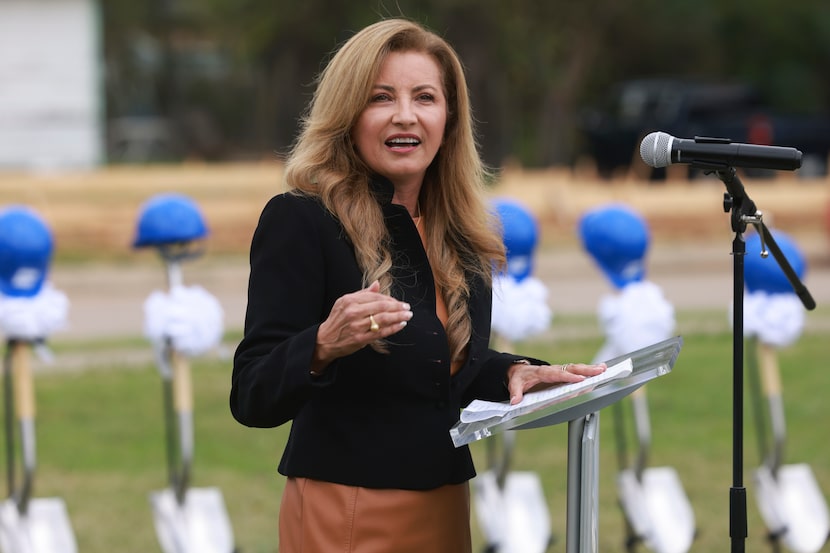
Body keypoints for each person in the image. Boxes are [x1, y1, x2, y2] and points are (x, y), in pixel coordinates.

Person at [230, 17, 606, 553]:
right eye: (381, 97)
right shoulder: (302, 220)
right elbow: (251, 394)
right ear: (348, 114)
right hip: (350, 508)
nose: (405, 115)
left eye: (425, 97)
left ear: (449, 118)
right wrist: (323, 343)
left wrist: (517, 372)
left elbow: (445, 369)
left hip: (444, 503)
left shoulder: (466, 233)